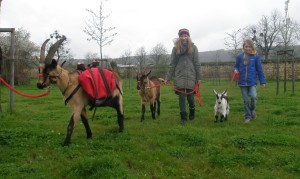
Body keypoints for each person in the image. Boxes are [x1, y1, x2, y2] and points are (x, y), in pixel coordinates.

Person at [165, 28, 201, 124]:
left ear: (188, 36)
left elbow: (197, 63)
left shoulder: (194, 48)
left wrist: (199, 78)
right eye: (181, 36)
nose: (183, 37)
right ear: (179, 37)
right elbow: (172, 64)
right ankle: (183, 117)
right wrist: (167, 78)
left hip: (191, 75)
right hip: (179, 75)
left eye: (185, 35)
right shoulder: (175, 49)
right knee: (181, 97)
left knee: (190, 97)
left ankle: (192, 109)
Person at [233, 37, 266, 123]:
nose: (247, 48)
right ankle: (247, 116)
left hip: (252, 82)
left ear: (252, 47)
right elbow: (236, 66)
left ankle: (252, 110)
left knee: (254, 97)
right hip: (242, 82)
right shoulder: (239, 56)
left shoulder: (255, 56)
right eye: (245, 46)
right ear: (243, 47)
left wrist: (262, 81)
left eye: (249, 46)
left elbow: (260, 70)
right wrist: (235, 70)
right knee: (245, 100)